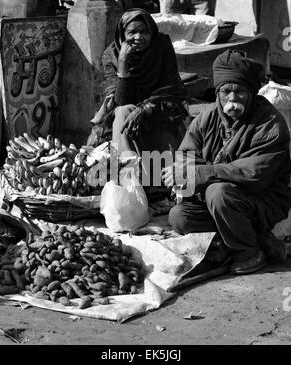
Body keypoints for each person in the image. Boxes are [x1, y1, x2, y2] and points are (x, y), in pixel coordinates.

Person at [162, 49, 291, 275]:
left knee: (218, 192)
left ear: (252, 92)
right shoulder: (207, 117)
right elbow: (187, 154)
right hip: (220, 201)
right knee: (179, 217)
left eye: (239, 91)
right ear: (218, 93)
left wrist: (201, 174)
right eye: (226, 92)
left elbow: (255, 174)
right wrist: (182, 175)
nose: (232, 100)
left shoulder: (270, 123)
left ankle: (249, 252)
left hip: (263, 200)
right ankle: (238, 241)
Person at [87, 8, 188, 163]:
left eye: (144, 31)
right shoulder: (112, 55)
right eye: (132, 32)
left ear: (151, 31)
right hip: (127, 110)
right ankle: (130, 169)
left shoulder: (161, 45)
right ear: (122, 34)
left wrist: (146, 107)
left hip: (159, 106)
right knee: (122, 112)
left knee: (129, 114)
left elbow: (172, 86)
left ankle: (144, 175)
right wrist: (122, 65)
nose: (139, 37)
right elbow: (120, 100)